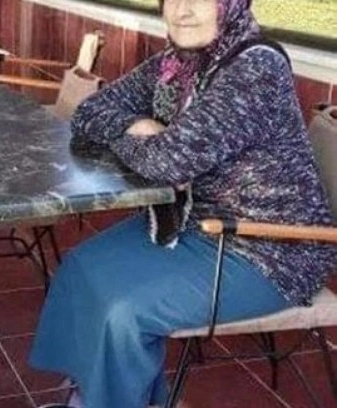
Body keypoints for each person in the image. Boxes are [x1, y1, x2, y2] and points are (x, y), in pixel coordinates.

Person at [29, 0, 337, 407]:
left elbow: (168, 162)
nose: (183, 11)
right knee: (80, 267)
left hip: (269, 249)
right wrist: (136, 125)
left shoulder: (256, 67)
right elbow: (89, 112)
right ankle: (103, 396)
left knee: (125, 311)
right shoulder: (174, 65)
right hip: (194, 222)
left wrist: (134, 137)